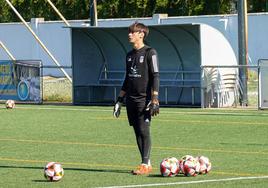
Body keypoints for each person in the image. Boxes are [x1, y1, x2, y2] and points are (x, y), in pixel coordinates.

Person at [113, 22, 160, 175]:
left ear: (141, 34)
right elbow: (127, 79)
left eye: (132, 32)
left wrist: (154, 99)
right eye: (129, 32)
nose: (129, 34)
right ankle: (146, 162)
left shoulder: (150, 52)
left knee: (144, 130)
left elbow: (155, 76)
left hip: (144, 99)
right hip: (131, 100)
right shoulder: (129, 55)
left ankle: (145, 164)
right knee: (137, 132)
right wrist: (119, 100)